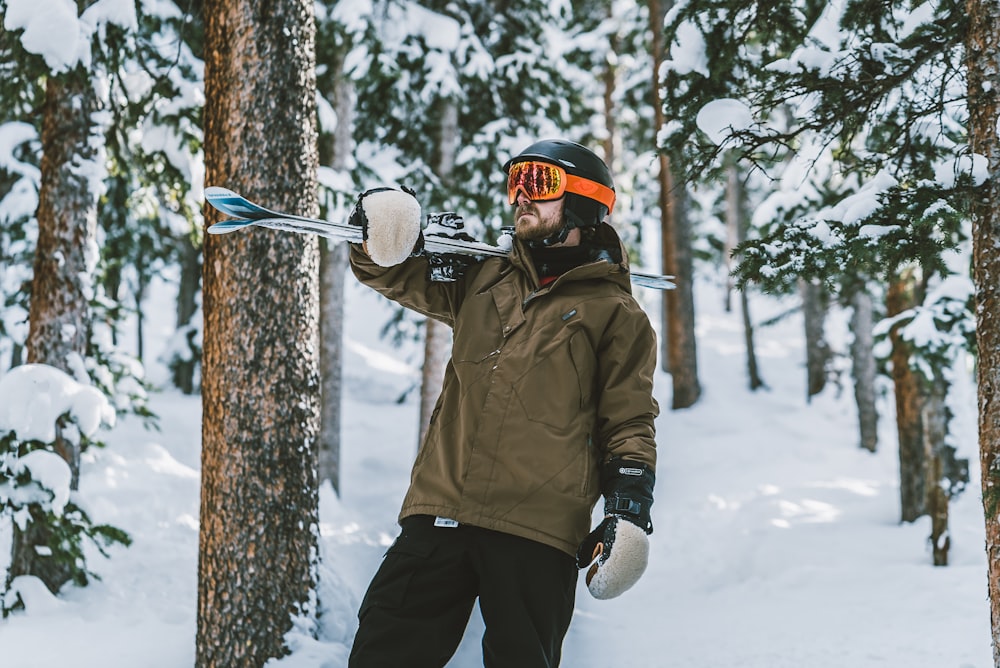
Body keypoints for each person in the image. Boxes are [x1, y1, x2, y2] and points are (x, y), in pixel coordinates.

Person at [346, 139, 659, 668]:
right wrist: (381, 222)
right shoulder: (482, 278)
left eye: (538, 185)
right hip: (440, 511)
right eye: (516, 184)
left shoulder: (616, 314)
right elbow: (390, 269)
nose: (521, 198)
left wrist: (628, 510)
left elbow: (628, 421)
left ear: (584, 202)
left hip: (536, 531)